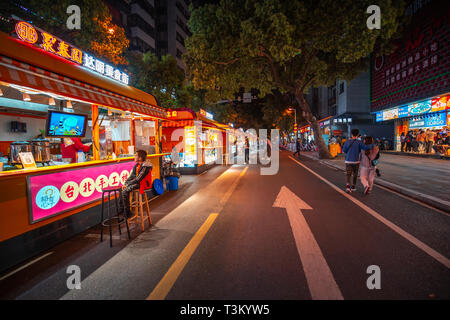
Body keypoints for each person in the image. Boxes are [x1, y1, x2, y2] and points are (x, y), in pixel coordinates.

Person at [118, 150, 153, 218]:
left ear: (140, 158)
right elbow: (131, 176)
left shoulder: (146, 166)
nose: (134, 156)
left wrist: (128, 185)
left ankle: (127, 213)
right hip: (138, 183)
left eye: (135, 155)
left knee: (125, 191)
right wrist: (125, 183)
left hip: (144, 184)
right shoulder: (137, 166)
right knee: (122, 189)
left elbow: (138, 179)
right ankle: (122, 211)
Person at [342, 128, 374, 193]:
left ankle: (348, 187)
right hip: (356, 161)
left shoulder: (347, 142)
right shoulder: (359, 142)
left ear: (351, 134)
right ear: (357, 135)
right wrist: (373, 145)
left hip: (348, 160)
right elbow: (366, 147)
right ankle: (353, 187)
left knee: (348, 174)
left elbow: (344, 150)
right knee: (355, 174)